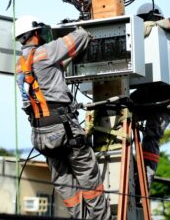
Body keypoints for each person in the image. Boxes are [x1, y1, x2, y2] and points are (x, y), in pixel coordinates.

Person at [15, 15, 111, 220]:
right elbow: (81, 36)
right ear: (35, 34)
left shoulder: (19, 64)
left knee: (64, 181)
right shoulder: (46, 52)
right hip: (64, 129)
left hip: (40, 134)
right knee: (89, 178)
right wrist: (80, 22)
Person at [131, 3, 170, 186]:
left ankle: (144, 181)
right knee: (118, 117)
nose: (148, 23)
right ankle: (127, 171)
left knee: (152, 135)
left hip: (165, 97)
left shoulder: (169, 34)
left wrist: (157, 26)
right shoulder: (137, 37)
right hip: (147, 93)